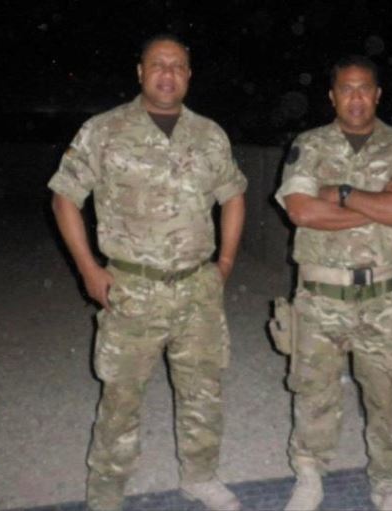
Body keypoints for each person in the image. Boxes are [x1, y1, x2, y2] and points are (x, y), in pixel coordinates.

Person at [48, 34, 246, 511]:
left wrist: (224, 264)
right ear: (140, 71)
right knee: (121, 398)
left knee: (203, 392)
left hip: (197, 288)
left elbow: (233, 195)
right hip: (131, 289)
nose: (167, 73)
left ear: (189, 75)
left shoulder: (208, 134)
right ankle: (106, 492)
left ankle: (200, 477)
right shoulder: (105, 129)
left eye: (177, 65)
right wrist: (88, 270)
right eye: (158, 64)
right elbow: (64, 198)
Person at [274, 55, 392, 511]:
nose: (356, 97)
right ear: (332, 96)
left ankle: (388, 483)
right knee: (314, 395)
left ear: (378, 94)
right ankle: (309, 476)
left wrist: (341, 194)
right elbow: (302, 212)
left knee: (387, 399)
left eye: (365, 88)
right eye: (346, 88)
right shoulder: (310, 145)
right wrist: (381, 200)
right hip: (320, 295)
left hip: (384, 296)